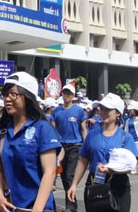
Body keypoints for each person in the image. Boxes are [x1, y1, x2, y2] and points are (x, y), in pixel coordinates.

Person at [0, 72, 60, 212]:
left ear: (28, 96)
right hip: (8, 207)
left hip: (37, 208)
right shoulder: (2, 129)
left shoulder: (42, 128)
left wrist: (37, 209)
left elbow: (50, 172)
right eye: (5, 94)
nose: (7, 99)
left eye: (13, 94)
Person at [67, 93, 138, 212]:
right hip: (95, 184)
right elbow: (82, 161)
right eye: (102, 108)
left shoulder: (126, 137)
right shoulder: (92, 135)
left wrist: (111, 170)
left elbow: (131, 165)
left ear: (118, 113)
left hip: (118, 185)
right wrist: (74, 185)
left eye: (108, 109)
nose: (103, 112)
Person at [51, 84, 87, 212]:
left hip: (74, 146)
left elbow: (83, 128)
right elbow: (53, 128)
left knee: (68, 176)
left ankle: (71, 207)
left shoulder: (79, 111)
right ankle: (52, 206)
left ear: (73, 96)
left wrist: (86, 144)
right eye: (64, 93)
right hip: (60, 146)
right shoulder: (56, 111)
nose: (66, 96)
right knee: (54, 175)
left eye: (69, 94)